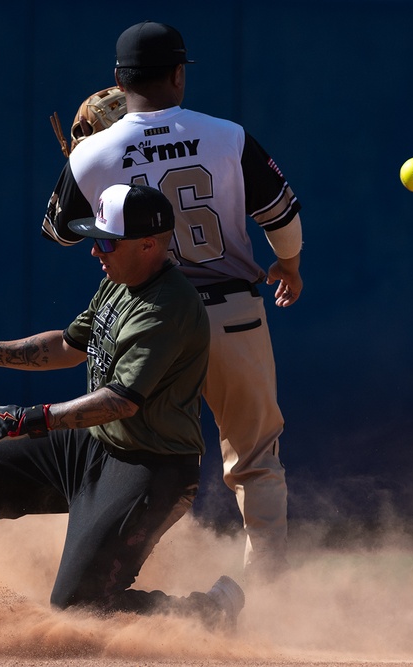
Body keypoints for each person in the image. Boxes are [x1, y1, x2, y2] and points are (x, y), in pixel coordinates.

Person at [0, 183, 245, 629]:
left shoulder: (166, 308)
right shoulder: (119, 282)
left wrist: (27, 419)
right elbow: (67, 345)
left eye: (106, 241)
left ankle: (208, 612)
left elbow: (121, 401)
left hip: (151, 469)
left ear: (148, 245)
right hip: (94, 449)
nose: (94, 252)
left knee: (78, 608)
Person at [42, 21, 303, 580]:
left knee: (131, 449)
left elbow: (60, 233)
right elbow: (282, 214)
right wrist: (290, 265)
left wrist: (78, 163)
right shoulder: (227, 136)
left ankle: (103, 576)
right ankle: (268, 592)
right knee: (256, 458)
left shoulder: (93, 155)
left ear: (117, 79)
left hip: (149, 321)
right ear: (179, 75)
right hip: (231, 314)